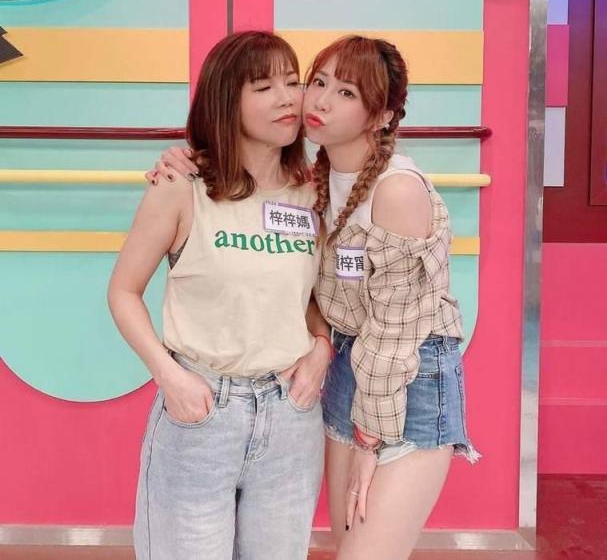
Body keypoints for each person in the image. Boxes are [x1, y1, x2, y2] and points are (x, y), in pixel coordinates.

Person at [150, 34, 479, 560]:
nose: (318, 100)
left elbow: (394, 337)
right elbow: (299, 285)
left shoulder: (396, 190)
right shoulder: (314, 182)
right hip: (344, 372)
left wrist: (371, 438)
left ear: (383, 116)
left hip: (407, 381)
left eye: (346, 93)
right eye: (318, 82)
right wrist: (189, 156)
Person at [108, 31, 332, 560]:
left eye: (293, 82)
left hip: (290, 415)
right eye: (264, 87)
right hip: (202, 413)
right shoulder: (181, 186)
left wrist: (321, 348)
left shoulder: (312, 192)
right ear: (226, 100)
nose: (287, 98)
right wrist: (170, 378)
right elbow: (123, 291)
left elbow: (309, 297)